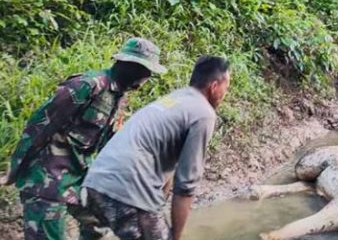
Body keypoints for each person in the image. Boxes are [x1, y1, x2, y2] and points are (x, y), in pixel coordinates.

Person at [2, 37, 166, 240]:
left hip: (79, 177)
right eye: (145, 71)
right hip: (46, 179)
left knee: (99, 224)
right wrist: (16, 167)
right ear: (130, 67)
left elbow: (108, 143)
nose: (147, 77)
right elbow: (40, 125)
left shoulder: (118, 96)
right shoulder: (87, 85)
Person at [82, 55, 231, 240]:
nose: (226, 94)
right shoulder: (203, 113)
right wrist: (175, 237)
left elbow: (169, 171)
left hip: (95, 183)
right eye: (227, 87)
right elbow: (185, 187)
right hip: (127, 190)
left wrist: (157, 208)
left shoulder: (174, 99)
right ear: (214, 86)